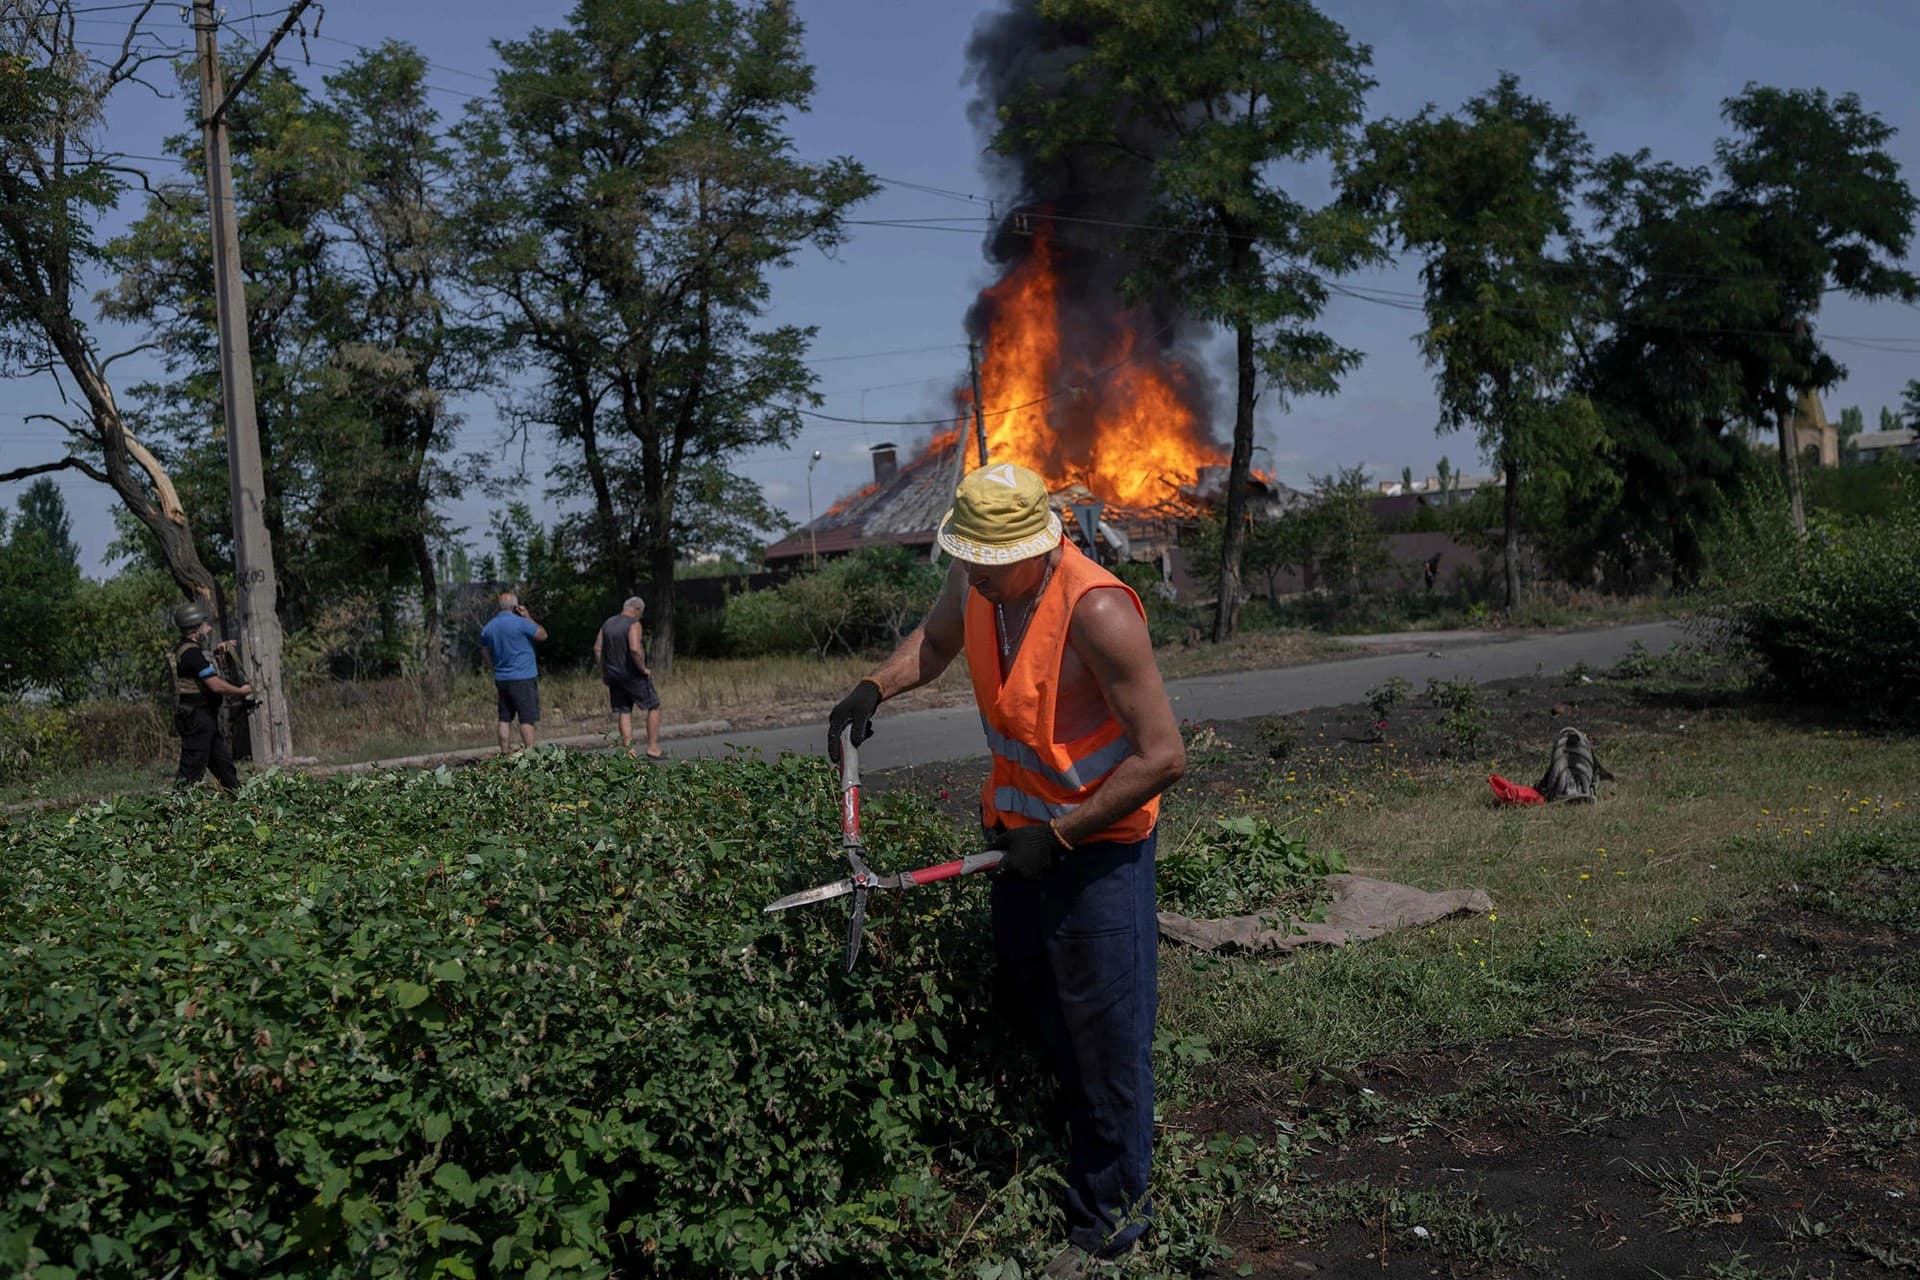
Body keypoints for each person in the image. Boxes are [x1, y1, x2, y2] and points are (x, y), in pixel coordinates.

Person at [825, 462, 1185, 1277]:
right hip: (1015, 841)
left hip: (1095, 852)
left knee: (1107, 1036)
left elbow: (1164, 756)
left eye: (995, 565)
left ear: (1039, 544)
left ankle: (1112, 1225)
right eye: (972, 562)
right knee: (1036, 999)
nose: (980, 579)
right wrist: (874, 687)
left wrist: (1060, 836)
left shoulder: (1097, 610)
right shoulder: (979, 580)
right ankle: (1067, 1148)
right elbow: (938, 641)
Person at [169, 600, 253, 792]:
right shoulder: (192, 654)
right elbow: (214, 685)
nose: (208, 629)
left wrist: (216, 654)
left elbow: (199, 668)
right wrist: (241, 691)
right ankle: (173, 813)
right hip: (197, 720)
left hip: (203, 719)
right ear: (195, 629)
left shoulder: (186, 650)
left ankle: (239, 800)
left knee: (224, 767)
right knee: (190, 772)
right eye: (205, 625)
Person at [593, 595, 663, 759]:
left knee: (624, 710)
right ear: (637, 609)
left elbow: (597, 649)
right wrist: (643, 668)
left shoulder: (608, 623)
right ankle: (652, 746)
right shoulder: (634, 624)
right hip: (632, 675)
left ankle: (629, 750)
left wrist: (604, 672)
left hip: (613, 675)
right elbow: (634, 649)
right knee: (654, 705)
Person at [479, 592, 547, 753]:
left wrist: (492, 667)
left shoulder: (489, 627)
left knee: (504, 718)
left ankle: (505, 752)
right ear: (515, 607)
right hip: (523, 677)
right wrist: (528, 616)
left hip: (502, 677)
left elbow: (484, 650)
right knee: (526, 718)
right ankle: (530, 752)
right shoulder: (521, 623)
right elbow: (542, 635)